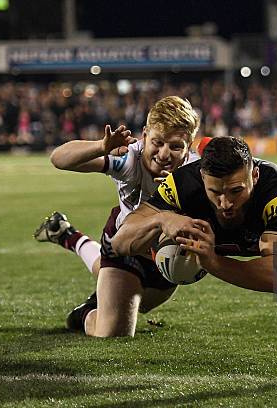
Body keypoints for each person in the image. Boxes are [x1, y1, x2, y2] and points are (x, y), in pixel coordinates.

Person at [72, 136, 277, 337]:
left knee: (145, 300)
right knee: (113, 330)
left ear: (254, 175)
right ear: (203, 178)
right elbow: (120, 242)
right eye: (215, 192)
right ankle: (84, 299)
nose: (226, 203)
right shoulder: (183, 183)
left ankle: (107, 295)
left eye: (236, 191)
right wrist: (161, 219)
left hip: (189, 261)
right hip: (152, 251)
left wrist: (213, 262)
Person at [33, 96, 202, 336]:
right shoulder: (129, 159)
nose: (164, 154)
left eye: (175, 146)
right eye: (158, 142)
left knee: (142, 303)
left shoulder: (199, 171)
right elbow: (58, 159)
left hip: (164, 257)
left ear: (189, 146)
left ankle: (69, 236)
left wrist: (184, 189)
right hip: (125, 245)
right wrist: (101, 147)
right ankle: (86, 313)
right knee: (113, 331)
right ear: (144, 135)